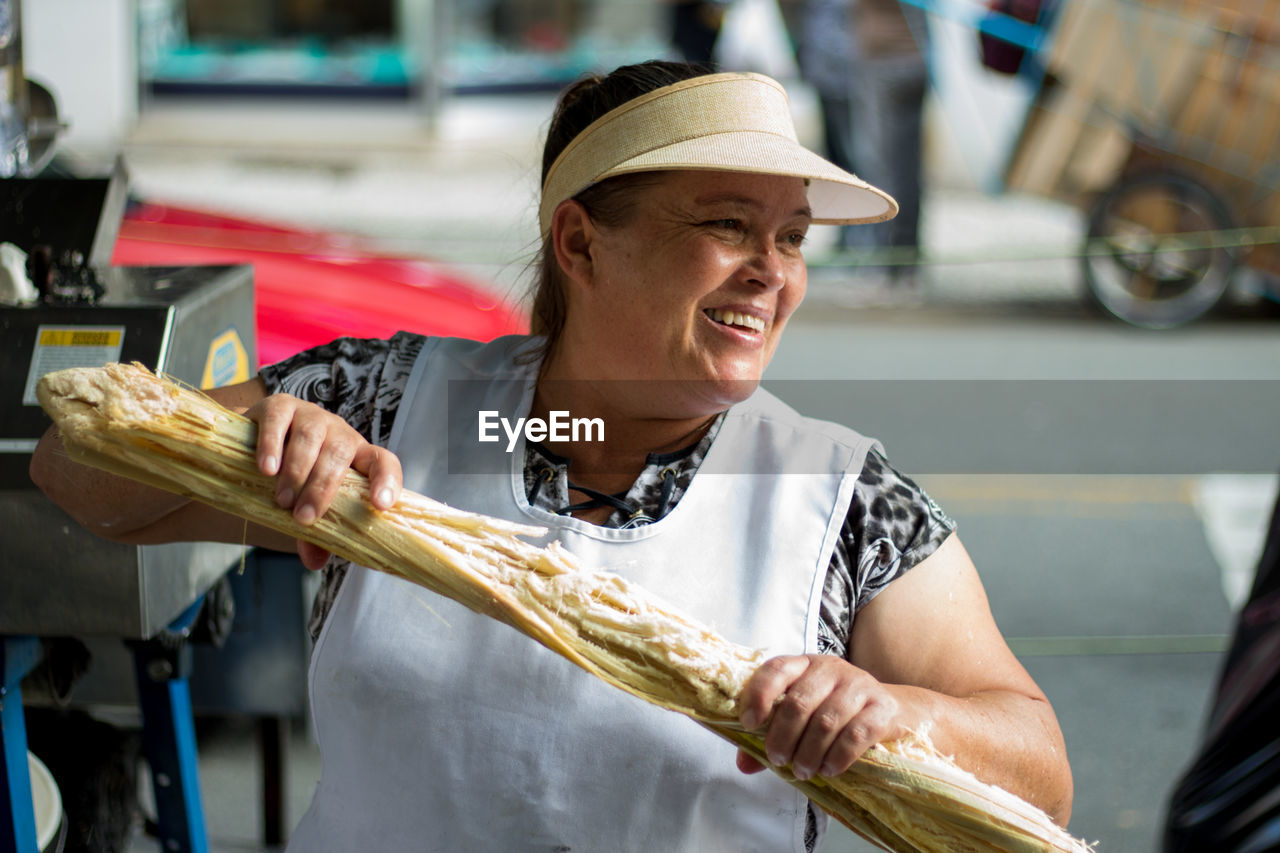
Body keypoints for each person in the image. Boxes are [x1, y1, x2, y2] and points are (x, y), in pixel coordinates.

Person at [30, 61, 1072, 850]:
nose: (770, 273)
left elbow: (1038, 781)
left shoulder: (833, 499)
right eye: (727, 224)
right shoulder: (397, 410)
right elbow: (73, 479)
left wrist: (897, 711)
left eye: (791, 237)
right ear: (578, 243)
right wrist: (253, 445)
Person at [799, 0, 928, 289]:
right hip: (911, 59)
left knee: (881, 168)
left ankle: (889, 264)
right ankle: (904, 262)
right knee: (905, 170)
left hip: (883, 62)